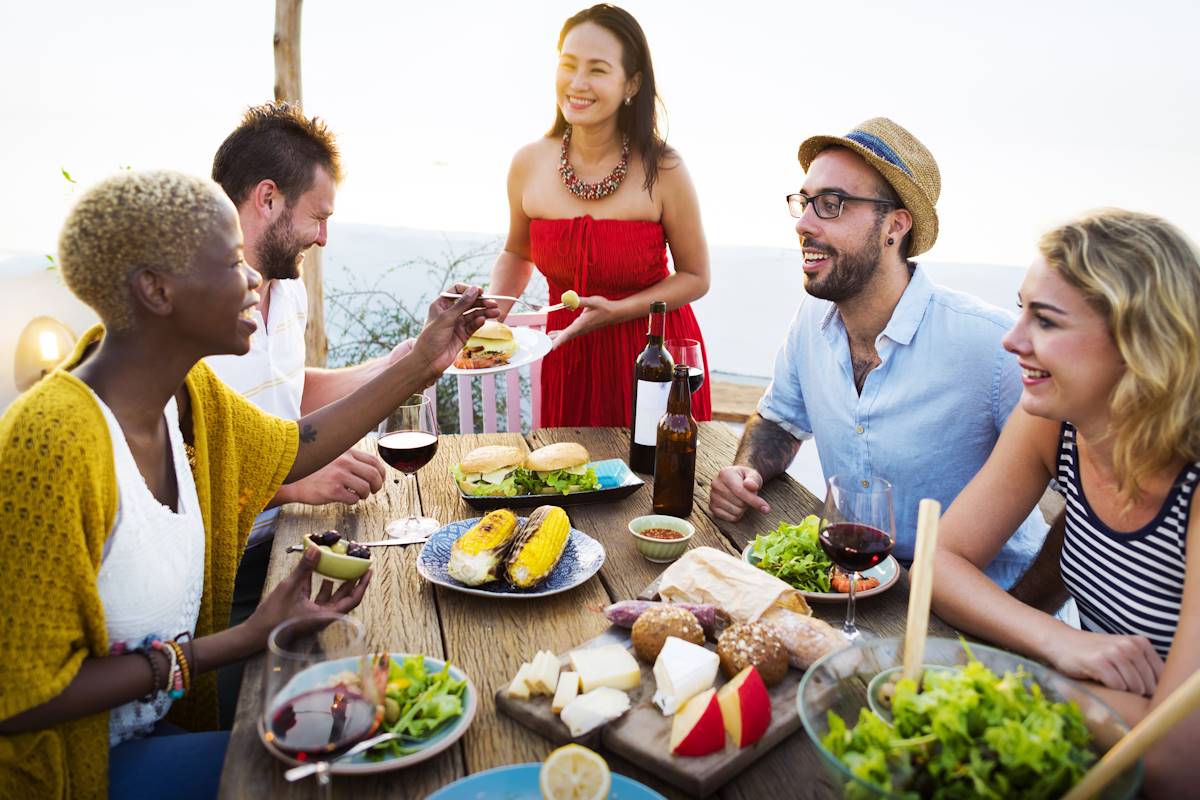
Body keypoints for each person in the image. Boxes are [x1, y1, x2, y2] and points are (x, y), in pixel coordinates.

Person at [0, 170, 495, 798]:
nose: (254, 278)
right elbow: (18, 698)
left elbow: (299, 446)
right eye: (233, 260)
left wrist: (427, 358)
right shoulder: (50, 443)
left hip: (156, 735)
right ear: (156, 290)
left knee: (386, 732)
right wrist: (230, 643)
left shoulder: (191, 399)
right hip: (79, 771)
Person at [708, 118, 1046, 586]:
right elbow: (780, 421)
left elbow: (1077, 502)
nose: (804, 224)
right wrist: (745, 471)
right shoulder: (810, 323)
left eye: (832, 205)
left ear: (894, 226)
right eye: (805, 203)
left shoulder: (991, 345)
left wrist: (1023, 621)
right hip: (858, 584)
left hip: (981, 610)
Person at [931, 210, 1200, 796]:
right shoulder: (1054, 422)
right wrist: (1060, 641)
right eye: (1020, 307)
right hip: (1099, 741)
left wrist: (1002, 685)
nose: (1012, 338)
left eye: (1045, 321)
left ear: (1141, 345)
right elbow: (939, 562)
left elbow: (1178, 757)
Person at [205, 103, 425, 723]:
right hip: (224, 577)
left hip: (289, 543)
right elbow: (183, 475)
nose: (325, 237)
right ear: (267, 198)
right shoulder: (199, 311)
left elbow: (292, 394)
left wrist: (402, 361)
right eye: (319, 217)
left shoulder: (288, 286)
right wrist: (294, 481)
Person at [487, 3, 712, 426]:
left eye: (597, 69)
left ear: (632, 82)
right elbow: (518, 253)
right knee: (565, 484)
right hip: (565, 358)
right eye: (568, 65)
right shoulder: (527, 163)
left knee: (655, 488)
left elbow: (696, 276)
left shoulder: (665, 168)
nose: (577, 82)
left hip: (653, 361)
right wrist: (492, 313)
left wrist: (622, 310)